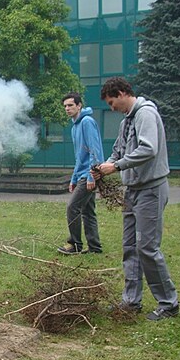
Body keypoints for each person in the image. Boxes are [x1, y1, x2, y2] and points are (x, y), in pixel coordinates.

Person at [92, 77, 179, 321]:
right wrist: (104, 166)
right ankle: (131, 301)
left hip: (150, 189)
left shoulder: (146, 114)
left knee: (147, 248)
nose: (112, 108)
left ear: (121, 93)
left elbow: (148, 148)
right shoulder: (126, 121)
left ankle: (169, 303)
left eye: (111, 103)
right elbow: (118, 151)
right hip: (132, 191)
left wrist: (117, 166)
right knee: (130, 247)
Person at [57, 92, 104, 255]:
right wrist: (74, 178)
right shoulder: (75, 126)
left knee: (73, 207)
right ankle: (95, 247)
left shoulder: (87, 122)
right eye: (65, 106)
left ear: (79, 106)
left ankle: (75, 244)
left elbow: (95, 150)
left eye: (70, 105)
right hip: (82, 174)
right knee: (88, 211)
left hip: (90, 174)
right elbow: (79, 156)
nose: (67, 108)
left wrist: (92, 175)